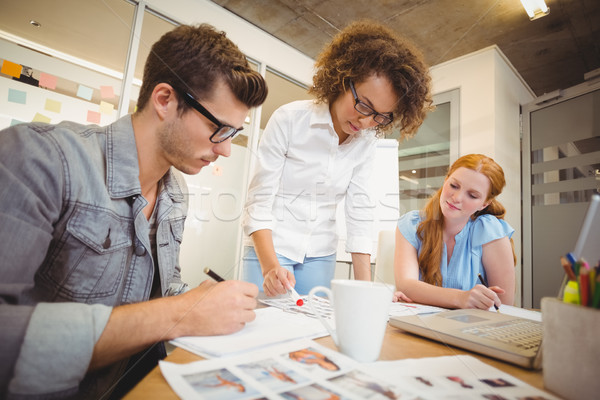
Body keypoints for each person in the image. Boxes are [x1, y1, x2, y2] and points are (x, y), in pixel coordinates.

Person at [0, 24, 267, 399]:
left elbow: (158, 291)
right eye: (218, 128)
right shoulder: (41, 159)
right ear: (164, 100)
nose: (224, 150)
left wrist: (204, 301)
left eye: (233, 135)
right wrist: (181, 313)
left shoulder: (175, 194)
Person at [242, 19, 433, 296]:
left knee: (316, 328)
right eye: (364, 105)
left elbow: (359, 211)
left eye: (380, 116)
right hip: (271, 246)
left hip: (321, 252)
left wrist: (365, 290)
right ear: (343, 80)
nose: (367, 122)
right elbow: (258, 202)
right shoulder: (290, 119)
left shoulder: (366, 143)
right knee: (265, 327)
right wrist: (271, 267)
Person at [393, 154, 516, 309]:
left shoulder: (490, 231)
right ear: (446, 180)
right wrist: (461, 298)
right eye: (454, 186)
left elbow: (504, 306)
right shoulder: (411, 224)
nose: (457, 197)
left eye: (472, 195)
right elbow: (407, 286)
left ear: (484, 204)